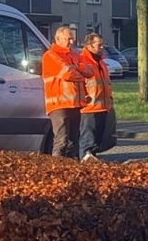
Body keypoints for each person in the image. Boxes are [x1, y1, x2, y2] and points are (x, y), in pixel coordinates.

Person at [41, 26, 91, 159]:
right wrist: (77, 70)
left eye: (72, 39)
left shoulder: (75, 54)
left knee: (73, 142)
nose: (71, 42)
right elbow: (67, 73)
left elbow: (89, 70)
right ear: (58, 39)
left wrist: (75, 68)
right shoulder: (50, 56)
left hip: (76, 104)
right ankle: (57, 170)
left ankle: (70, 170)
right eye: (68, 39)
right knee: (61, 140)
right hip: (59, 105)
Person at [78, 33, 113, 162]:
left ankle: (91, 166)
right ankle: (84, 166)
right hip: (90, 108)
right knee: (88, 141)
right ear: (89, 46)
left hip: (102, 107)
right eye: (99, 45)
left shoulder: (100, 62)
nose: (102, 47)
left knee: (96, 142)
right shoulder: (82, 61)